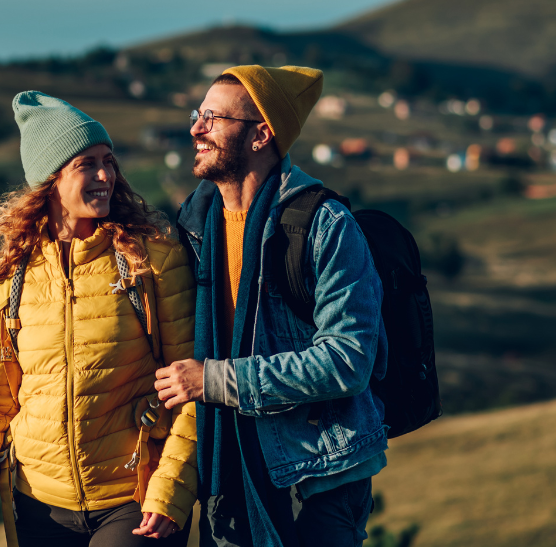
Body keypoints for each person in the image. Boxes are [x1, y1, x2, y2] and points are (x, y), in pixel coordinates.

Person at [153, 66, 389, 547]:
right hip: (230, 475)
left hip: (318, 475)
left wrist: (215, 380)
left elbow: (348, 361)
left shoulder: (323, 224)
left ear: (261, 134)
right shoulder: (197, 229)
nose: (196, 128)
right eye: (199, 114)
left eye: (213, 118)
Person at [0, 91, 199, 547]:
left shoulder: (153, 262)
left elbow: (193, 388)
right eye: (86, 164)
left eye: (108, 161)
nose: (106, 175)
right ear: (51, 180)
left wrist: (170, 493)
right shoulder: (7, 283)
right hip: (39, 508)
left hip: (136, 503)